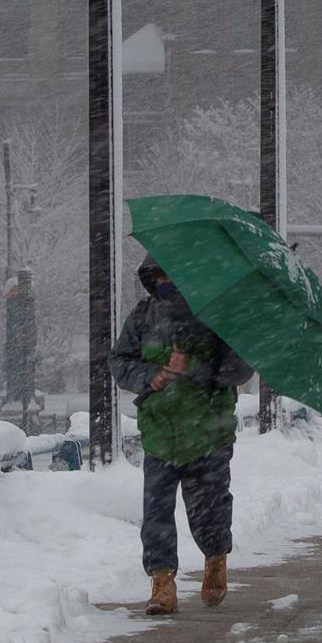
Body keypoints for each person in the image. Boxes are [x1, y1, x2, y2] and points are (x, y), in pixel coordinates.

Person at [110, 254, 255, 616]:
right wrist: (152, 377)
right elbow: (120, 361)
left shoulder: (219, 316)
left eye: (173, 275)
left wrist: (192, 366)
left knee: (209, 509)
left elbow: (239, 369)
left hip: (209, 433)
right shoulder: (142, 317)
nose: (166, 283)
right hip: (160, 432)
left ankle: (215, 558)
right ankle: (162, 583)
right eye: (159, 276)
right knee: (156, 513)